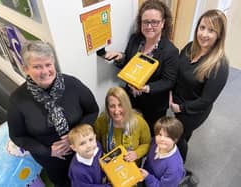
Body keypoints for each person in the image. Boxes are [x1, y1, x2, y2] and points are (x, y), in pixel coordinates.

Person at [7, 40, 99, 187]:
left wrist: (74, 137)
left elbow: (93, 110)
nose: (45, 71)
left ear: (53, 63)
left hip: (84, 152)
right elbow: (17, 136)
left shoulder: (72, 84)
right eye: (37, 66)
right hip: (53, 161)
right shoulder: (17, 100)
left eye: (48, 64)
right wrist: (47, 151)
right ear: (25, 69)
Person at [104, 0, 179, 136]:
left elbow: (169, 81)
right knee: (132, 129)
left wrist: (146, 88)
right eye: (145, 22)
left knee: (148, 133)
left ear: (163, 23)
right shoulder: (135, 39)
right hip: (131, 99)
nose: (149, 26)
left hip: (153, 104)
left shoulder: (170, 51)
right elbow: (129, 61)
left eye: (154, 22)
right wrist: (119, 57)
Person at [170, 9, 229, 162]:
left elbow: (206, 101)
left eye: (211, 30)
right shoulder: (190, 47)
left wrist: (180, 108)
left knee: (179, 138)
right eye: (202, 28)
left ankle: (178, 167)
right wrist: (170, 93)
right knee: (179, 134)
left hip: (193, 110)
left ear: (219, 36)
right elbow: (177, 71)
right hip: (177, 100)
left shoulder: (219, 65)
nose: (204, 34)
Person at [94, 86, 151, 165]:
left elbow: (147, 144)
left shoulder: (139, 122)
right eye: (112, 106)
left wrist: (137, 153)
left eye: (120, 105)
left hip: (133, 169)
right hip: (110, 169)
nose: (116, 111)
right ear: (107, 107)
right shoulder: (101, 122)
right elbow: (95, 144)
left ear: (127, 105)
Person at [139, 116, 185, 187]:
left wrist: (148, 177)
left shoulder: (175, 168)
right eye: (160, 134)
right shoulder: (155, 141)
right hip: (146, 176)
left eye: (168, 136)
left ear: (175, 139)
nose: (162, 139)